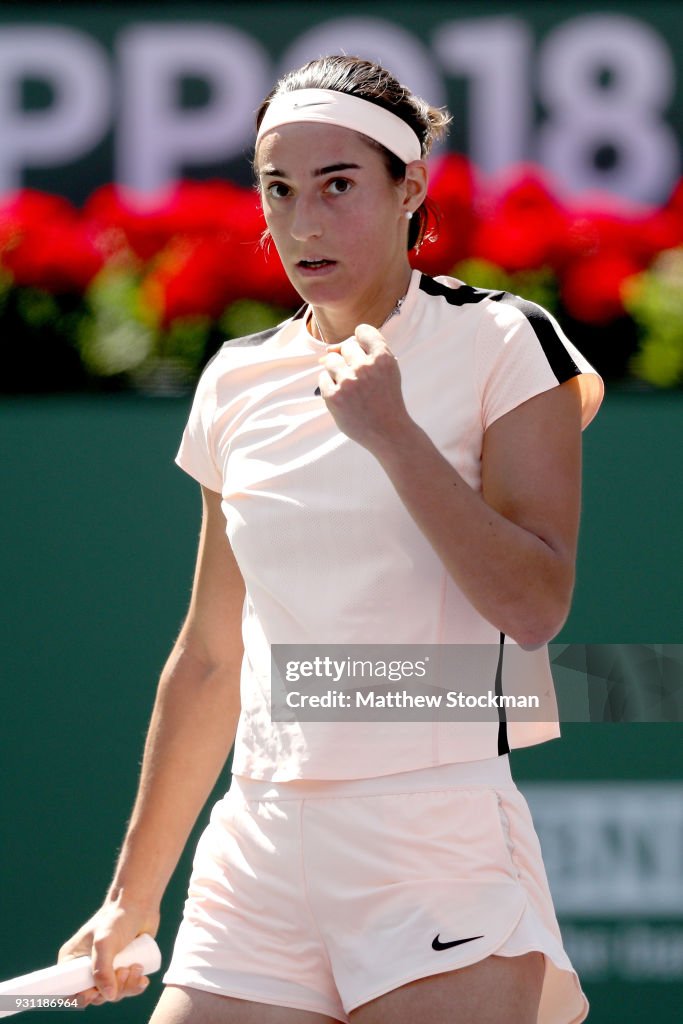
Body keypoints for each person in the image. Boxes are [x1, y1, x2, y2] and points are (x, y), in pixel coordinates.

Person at [58, 55, 604, 1024]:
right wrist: (129, 899)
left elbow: (533, 603)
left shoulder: (503, 339)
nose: (302, 222)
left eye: (337, 185)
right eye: (279, 190)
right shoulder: (235, 377)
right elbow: (211, 655)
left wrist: (392, 433)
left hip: (433, 841)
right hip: (257, 845)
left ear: (410, 190)